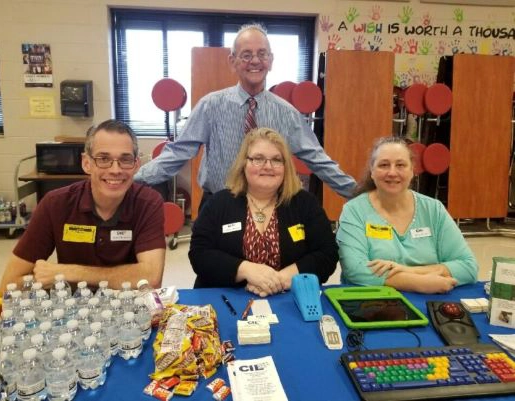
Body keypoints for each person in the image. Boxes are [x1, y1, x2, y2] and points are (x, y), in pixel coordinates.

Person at [135, 23, 356, 208]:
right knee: (213, 261)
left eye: (262, 54)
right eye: (246, 55)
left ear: (271, 59)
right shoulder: (211, 106)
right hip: (219, 204)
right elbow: (178, 152)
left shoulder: (287, 113)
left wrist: (359, 194)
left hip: (269, 207)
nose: (255, 61)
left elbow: (317, 158)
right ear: (233, 61)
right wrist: (134, 180)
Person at [0, 119, 166, 293]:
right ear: (86, 163)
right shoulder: (55, 204)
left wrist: (67, 272)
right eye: (103, 159)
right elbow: (9, 284)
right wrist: (46, 279)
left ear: (136, 165)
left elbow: (151, 278)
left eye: (125, 159)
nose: (115, 170)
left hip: (130, 310)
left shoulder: (148, 203)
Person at [189, 128, 338, 297]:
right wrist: (246, 269)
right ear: (244, 163)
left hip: (288, 297)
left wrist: (278, 280)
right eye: (258, 159)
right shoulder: (218, 203)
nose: (268, 166)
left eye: (276, 160)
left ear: (285, 166)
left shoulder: (305, 203)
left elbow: (327, 254)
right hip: (225, 298)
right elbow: (199, 254)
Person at [336, 136, 478, 294]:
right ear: (372, 171)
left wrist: (408, 270)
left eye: (400, 165)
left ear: (412, 171)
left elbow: (468, 267)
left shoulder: (433, 210)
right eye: (383, 165)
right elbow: (356, 270)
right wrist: (419, 283)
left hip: (431, 299)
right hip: (372, 304)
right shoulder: (354, 211)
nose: (392, 172)